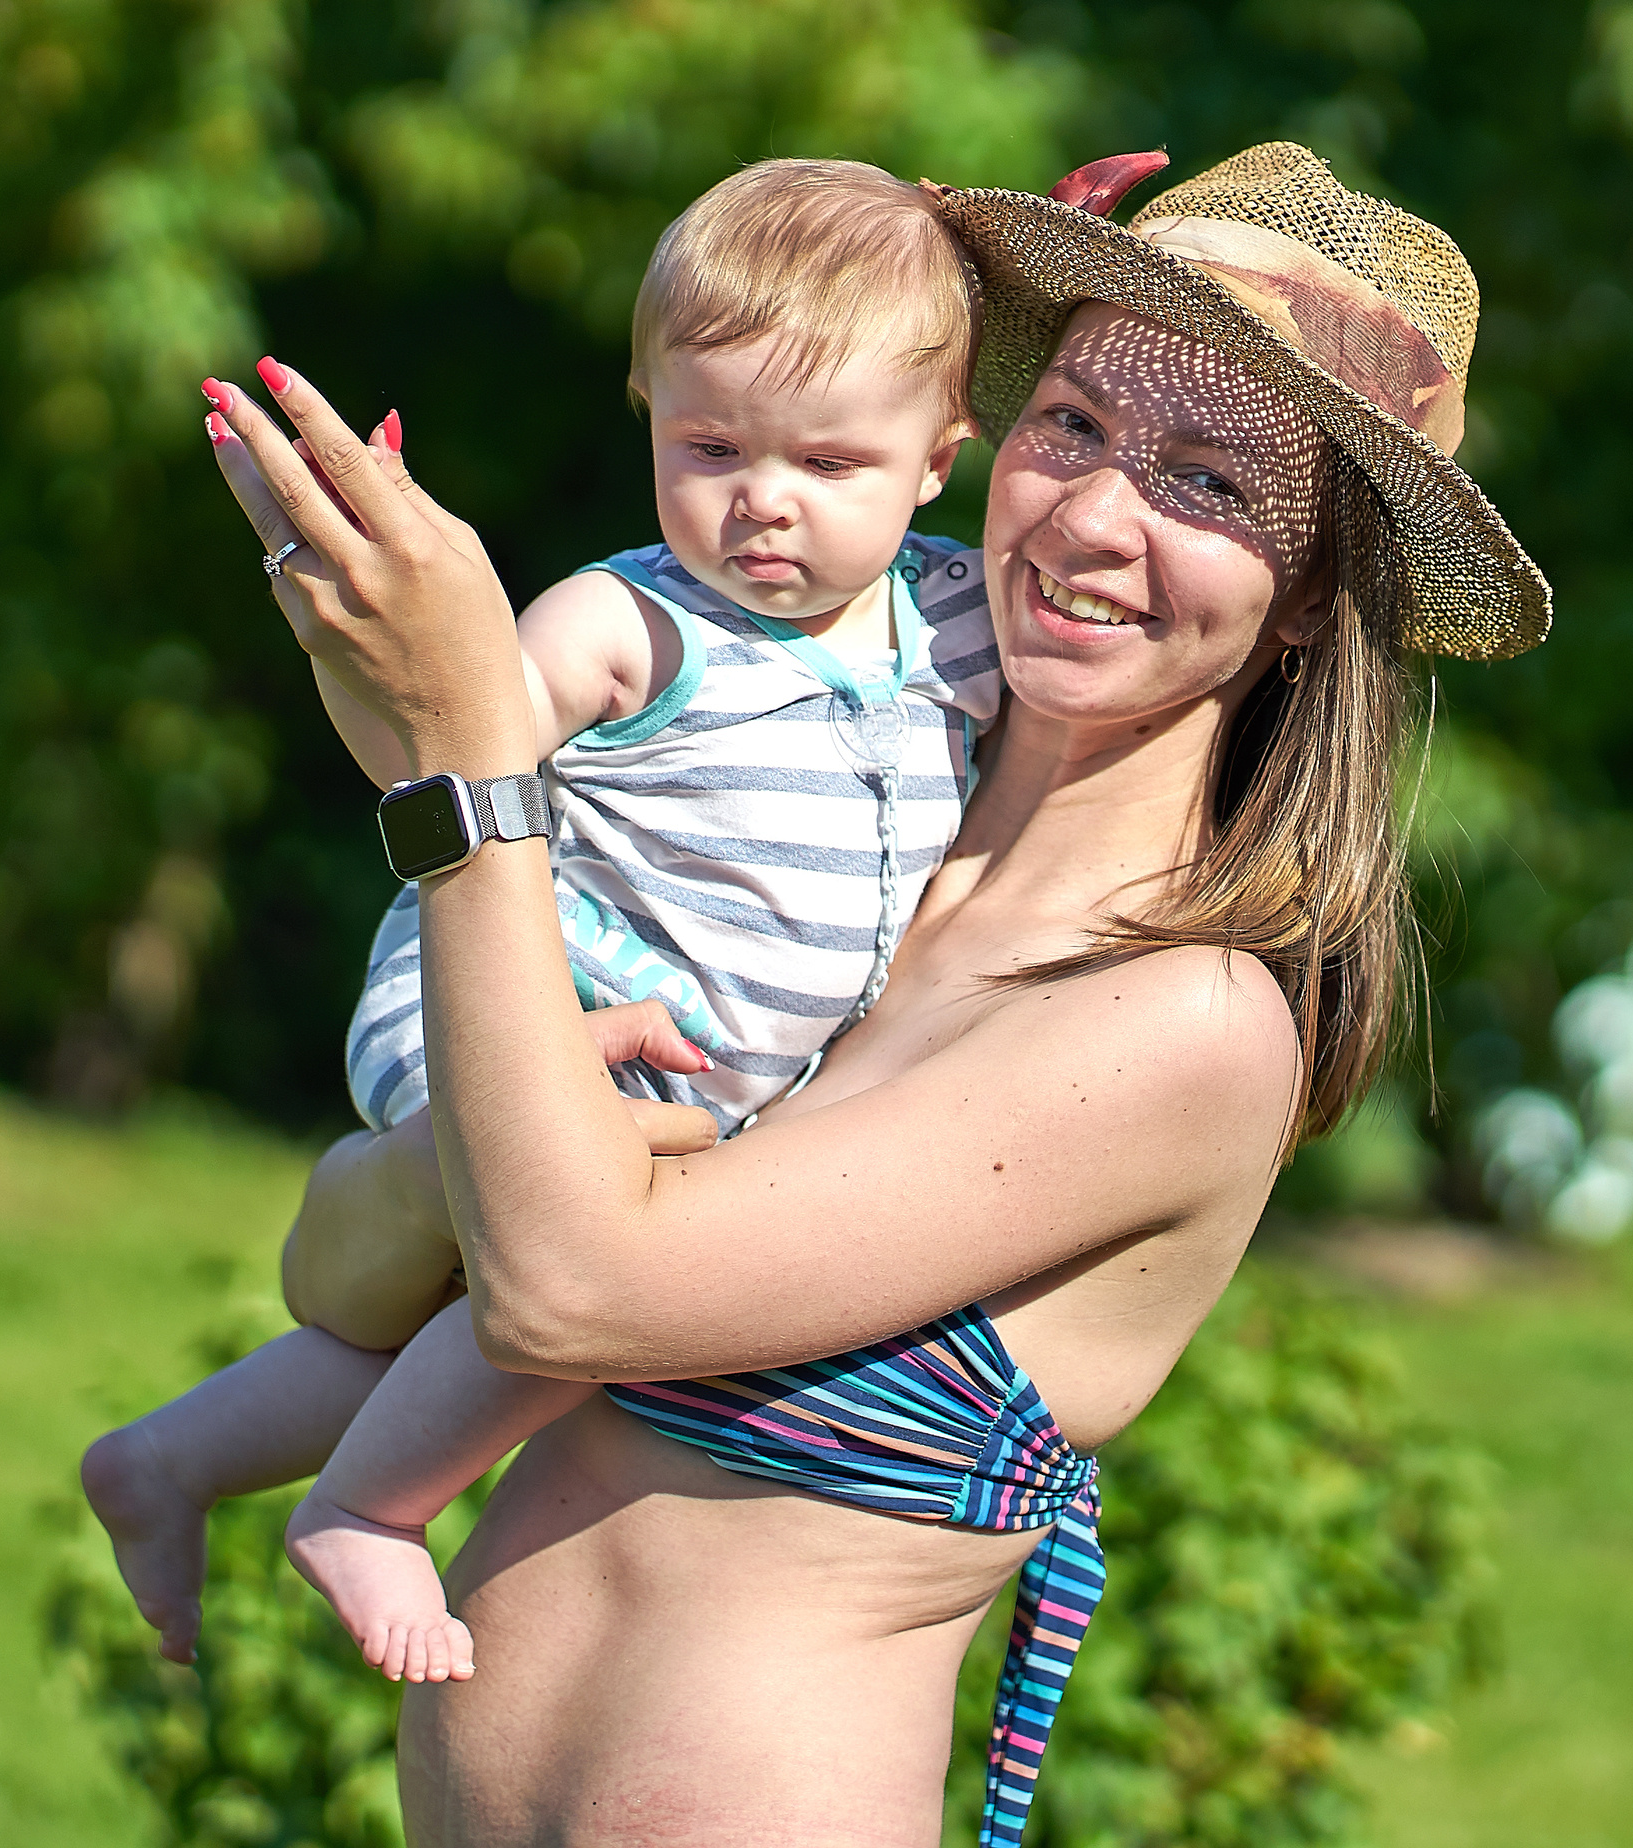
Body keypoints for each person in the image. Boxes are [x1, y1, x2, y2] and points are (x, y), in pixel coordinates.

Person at [202, 143, 1550, 1848]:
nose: (1093, 515)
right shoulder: (822, 884)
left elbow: (557, 1293)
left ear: (1306, 600)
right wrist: (432, 1153)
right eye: (1070, 424)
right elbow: (342, 1266)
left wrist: (466, 781)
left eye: (1209, 484)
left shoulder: (1183, 1019)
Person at [82, 158, 999, 1681]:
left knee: (475, 1316)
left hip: (680, 1076)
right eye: (709, 445)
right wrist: (330, 601)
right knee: (593, 1289)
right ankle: (367, 1515)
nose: (761, 500)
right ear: (645, 407)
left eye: (829, 462)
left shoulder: (958, 617)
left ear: (933, 461)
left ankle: (169, 1461)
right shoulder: (626, 622)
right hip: (537, 1004)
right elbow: (439, 753)